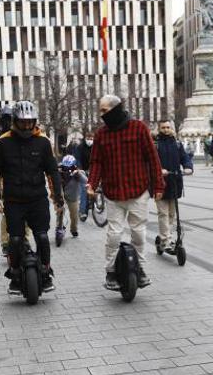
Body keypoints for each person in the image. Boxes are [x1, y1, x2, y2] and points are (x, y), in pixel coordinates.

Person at [87, 95, 164, 290]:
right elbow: (96, 162)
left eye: (104, 111)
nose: (101, 114)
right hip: (113, 193)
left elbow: (153, 158)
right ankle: (110, 271)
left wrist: (158, 186)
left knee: (138, 234)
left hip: (137, 191)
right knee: (113, 235)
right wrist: (91, 184)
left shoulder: (139, 128)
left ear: (115, 109)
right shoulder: (101, 134)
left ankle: (140, 269)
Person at [0, 100, 62, 295]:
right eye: (23, 122)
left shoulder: (43, 142)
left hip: (37, 199)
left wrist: (58, 196)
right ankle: (13, 273)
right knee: (14, 239)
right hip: (14, 201)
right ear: (15, 121)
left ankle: (46, 272)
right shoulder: (2, 142)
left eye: (30, 122)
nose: (27, 126)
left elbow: (52, 171)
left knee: (43, 237)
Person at [155, 120, 193, 252]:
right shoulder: (155, 144)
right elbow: (149, 162)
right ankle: (166, 241)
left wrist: (188, 167)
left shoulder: (177, 144)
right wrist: (159, 169)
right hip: (160, 184)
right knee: (163, 213)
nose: (166, 129)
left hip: (175, 182)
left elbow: (185, 157)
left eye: (168, 127)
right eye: (163, 127)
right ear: (159, 129)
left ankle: (166, 236)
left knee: (172, 214)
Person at [0, 105, 17, 255]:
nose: (7, 122)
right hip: (2, 177)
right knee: (6, 212)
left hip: (17, 176)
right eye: (5, 119)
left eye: (10, 119)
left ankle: (24, 238)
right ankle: (5, 242)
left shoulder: (18, 134)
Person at [57, 155, 87, 237]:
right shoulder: (59, 170)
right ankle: (59, 227)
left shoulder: (78, 173)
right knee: (60, 212)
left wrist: (78, 174)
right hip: (61, 196)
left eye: (68, 168)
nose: (66, 170)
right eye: (65, 167)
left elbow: (85, 181)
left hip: (73, 197)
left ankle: (74, 229)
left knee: (74, 215)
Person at [76, 131, 94, 221]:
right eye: (88, 138)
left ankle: (98, 203)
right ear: (85, 138)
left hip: (93, 170)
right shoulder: (80, 147)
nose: (90, 140)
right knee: (84, 189)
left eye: (91, 139)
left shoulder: (95, 147)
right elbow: (77, 158)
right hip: (82, 169)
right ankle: (82, 211)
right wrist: (80, 168)